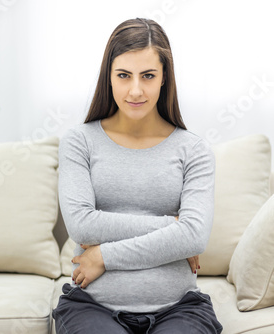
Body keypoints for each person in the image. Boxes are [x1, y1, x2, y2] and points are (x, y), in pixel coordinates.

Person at [52, 18, 223, 334]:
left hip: (180, 310)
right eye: (123, 75)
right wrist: (173, 228)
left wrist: (105, 255)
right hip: (92, 307)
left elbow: (195, 236)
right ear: (109, 78)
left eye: (147, 76)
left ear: (163, 79)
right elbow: (81, 225)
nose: (135, 90)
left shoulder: (194, 150)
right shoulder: (79, 142)